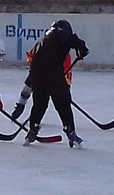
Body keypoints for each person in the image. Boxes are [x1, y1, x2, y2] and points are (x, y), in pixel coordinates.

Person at [24, 19, 89, 148]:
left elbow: (32, 61)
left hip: (37, 76)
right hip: (54, 76)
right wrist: (82, 50)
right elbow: (77, 42)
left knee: (39, 105)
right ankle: (70, 132)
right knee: (63, 104)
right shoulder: (62, 36)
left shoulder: (42, 41)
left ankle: (33, 129)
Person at [10, 38, 73, 121]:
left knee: (52, 102)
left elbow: (67, 74)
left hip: (55, 78)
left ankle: (38, 119)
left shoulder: (65, 55)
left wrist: (64, 88)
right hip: (39, 74)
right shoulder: (40, 46)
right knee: (28, 91)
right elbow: (31, 58)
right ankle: (21, 106)